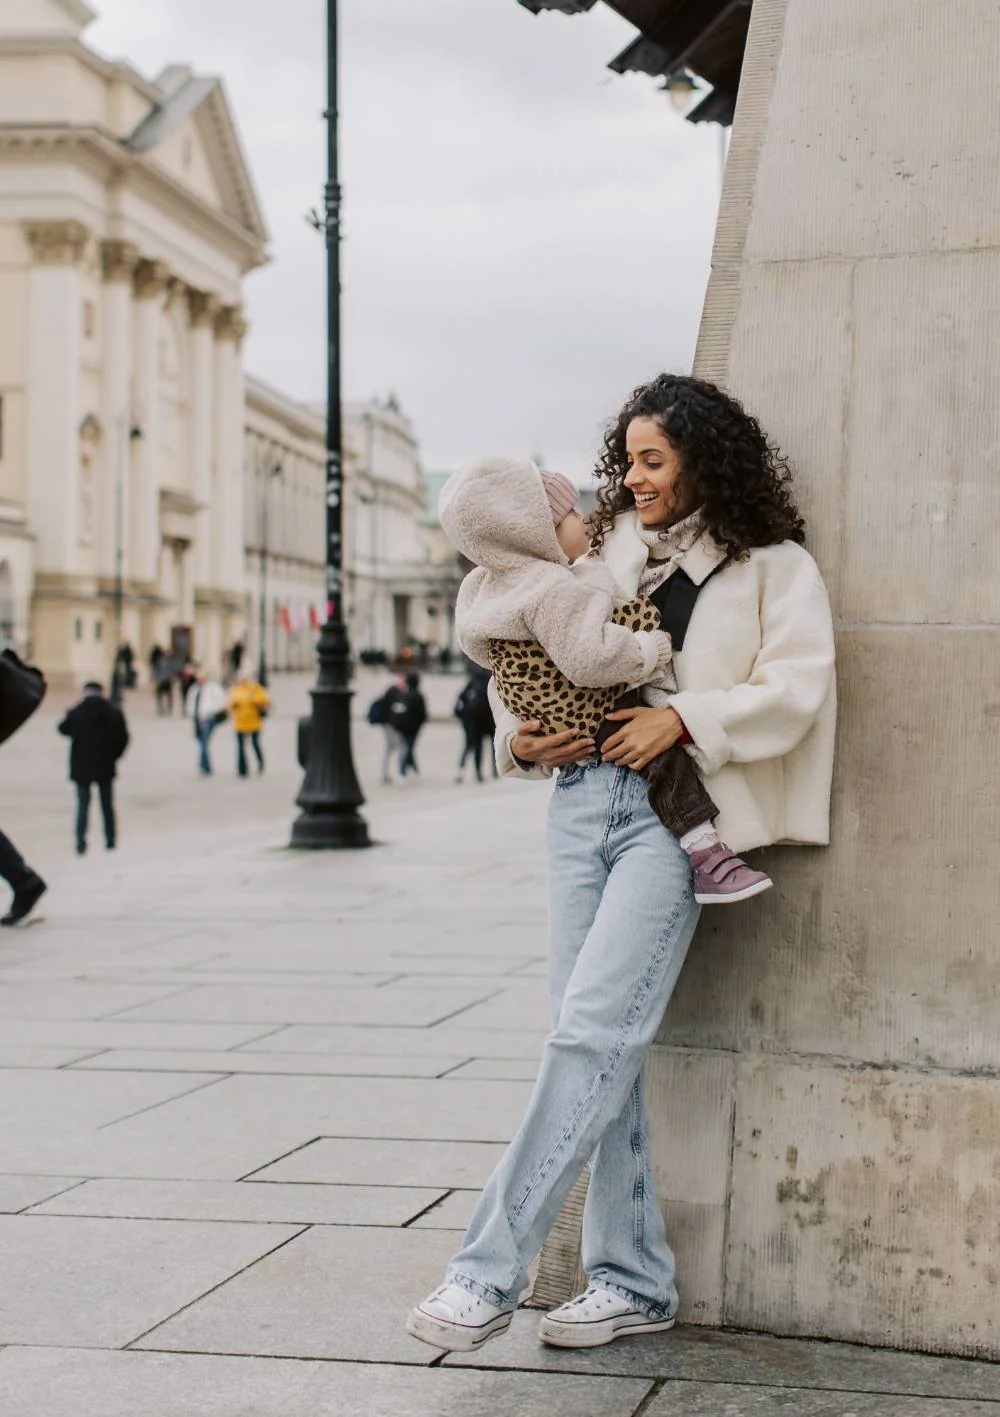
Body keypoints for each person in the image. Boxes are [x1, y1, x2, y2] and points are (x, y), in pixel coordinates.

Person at [408, 373, 836, 1353]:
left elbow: (796, 686)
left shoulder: (774, 568)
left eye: (653, 460)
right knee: (597, 1041)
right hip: (575, 805)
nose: (633, 478)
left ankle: (486, 1271)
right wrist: (517, 738)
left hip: (673, 815)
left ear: (704, 460)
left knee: (592, 1031)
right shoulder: (601, 550)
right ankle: (632, 1278)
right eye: (628, 459)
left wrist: (682, 718)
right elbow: (521, 654)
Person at [439, 458, 769, 903]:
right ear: (534, 531)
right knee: (667, 762)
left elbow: (506, 668)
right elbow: (584, 659)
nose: (586, 520)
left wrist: (682, 719)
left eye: (652, 460)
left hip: (622, 790)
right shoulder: (558, 578)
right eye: (571, 514)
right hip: (588, 756)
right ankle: (705, 849)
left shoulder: (487, 588)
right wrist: (649, 650)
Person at [58, 681, 129, 855]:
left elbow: (62, 729)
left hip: (82, 765)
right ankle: (110, 840)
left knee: (83, 805)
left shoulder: (76, 712)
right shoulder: (113, 712)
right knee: (107, 805)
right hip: (105, 763)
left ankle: (80, 842)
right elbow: (123, 738)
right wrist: (115, 755)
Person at [454, 666, 497, 784]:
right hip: (489, 721)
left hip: (474, 722)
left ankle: (473, 771)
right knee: (494, 746)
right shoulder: (489, 681)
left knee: (473, 747)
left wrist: (464, 719)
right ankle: (494, 770)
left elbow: (460, 700)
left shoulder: (472, 681)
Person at [229, 669, 269, 777]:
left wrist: (253, 699)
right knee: (241, 747)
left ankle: (260, 762)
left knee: (255, 744)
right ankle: (242, 769)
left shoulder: (255, 688)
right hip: (240, 723)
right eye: (240, 678)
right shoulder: (235, 689)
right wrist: (233, 704)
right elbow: (229, 705)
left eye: (243, 678)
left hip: (254, 722)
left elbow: (264, 701)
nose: (241, 680)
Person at [389, 670, 427, 778]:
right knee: (409, 747)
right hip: (413, 727)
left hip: (402, 726)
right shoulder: (418, 696)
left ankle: (413, 768)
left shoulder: (404, 695)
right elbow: (422, 713)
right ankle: (402, 770)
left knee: (408, 747)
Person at [191, 671, 228, 776]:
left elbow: (222, 702)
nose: (199, 679)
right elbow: (191, 703)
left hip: (210, 718)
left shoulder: (213, 688)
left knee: (204, 741)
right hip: (198, 719)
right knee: (202, 742)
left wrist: (211, 711)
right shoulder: (194, 689)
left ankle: (202, 765)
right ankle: (207, 766)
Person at [154, 652, 176, 717]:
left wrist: (172, 677)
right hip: (161, 681)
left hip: (168, 681)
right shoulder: (160, 661)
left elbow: (173, 671)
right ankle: (160, 709)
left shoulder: (171, 661)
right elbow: (156, 670)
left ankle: (169, 709)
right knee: (159, 696)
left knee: (169, 696)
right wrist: (157, 679)